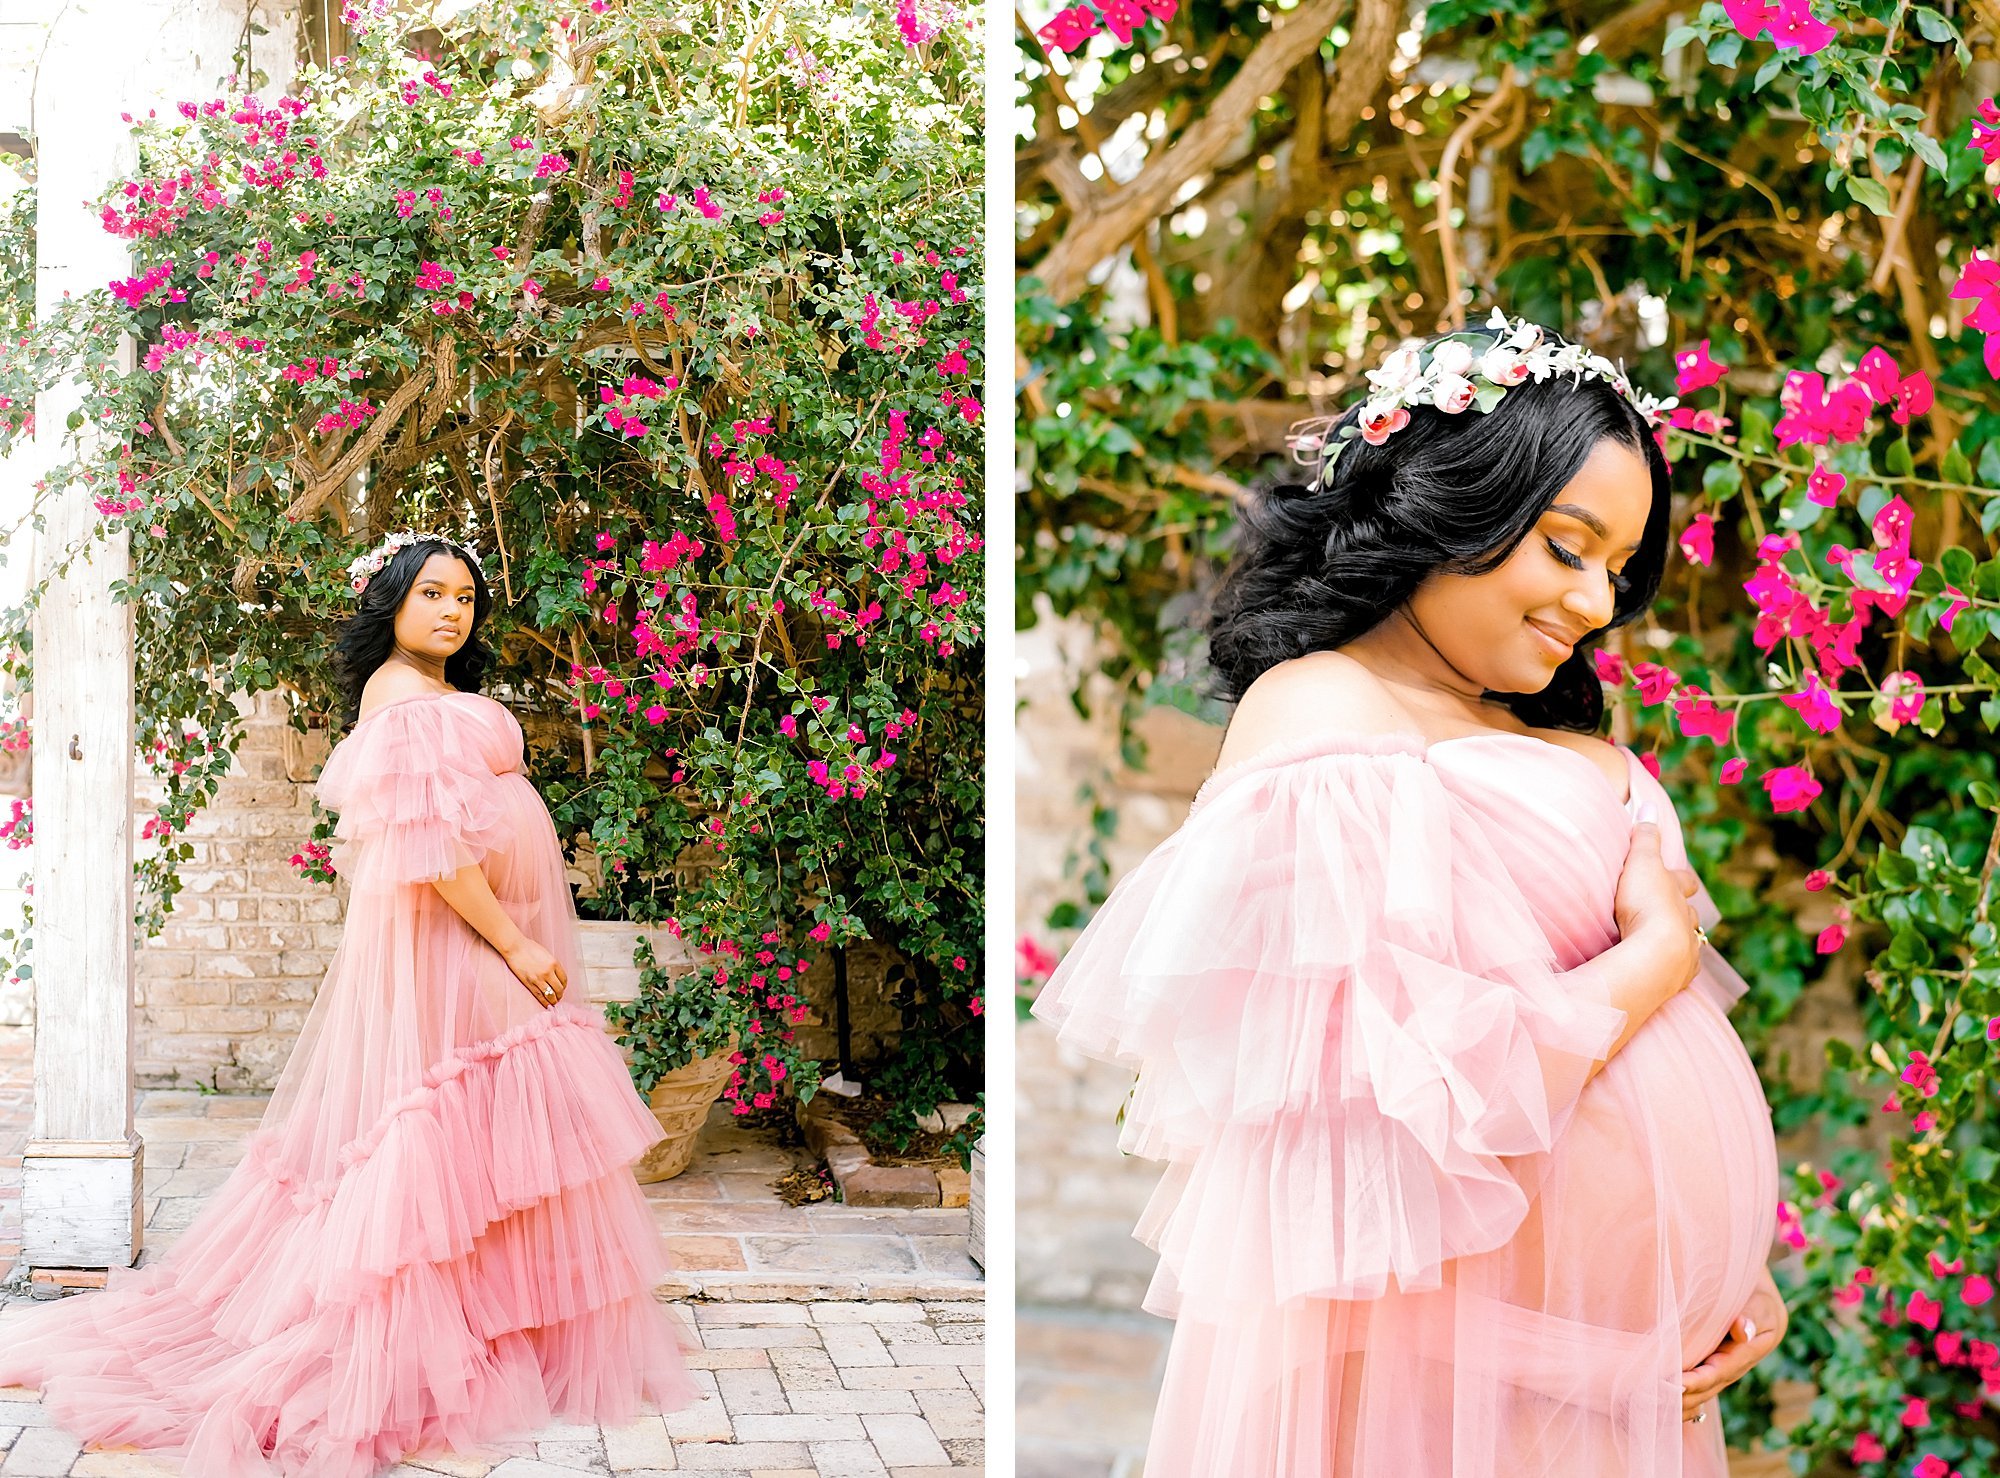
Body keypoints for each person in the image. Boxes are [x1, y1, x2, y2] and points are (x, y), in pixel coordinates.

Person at [1031, 312, 1788, 1477]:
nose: (1594, 602)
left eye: (1615, 568)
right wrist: (1650, 963)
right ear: (1455, 505)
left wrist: (1728, 1267)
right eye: (1565, 546)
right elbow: (1419, 1102)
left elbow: (1644, 1074)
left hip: (1630, 1368)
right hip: (1444, 1378)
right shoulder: (1322, 714)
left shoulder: (1540, 733)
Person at [0, 531, 699, 1477]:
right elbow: (433, 851)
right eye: (434, 595)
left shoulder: (435, 692)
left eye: (467, 597)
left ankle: (489, 1325)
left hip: (484, 935)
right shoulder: (401, 699)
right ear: (394, 604)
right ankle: (418, 1339)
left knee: (487, 1138)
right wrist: (517, 938)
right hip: (467, 941)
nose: (454, 611)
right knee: (458, 1128)